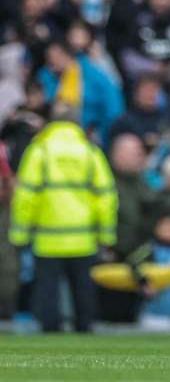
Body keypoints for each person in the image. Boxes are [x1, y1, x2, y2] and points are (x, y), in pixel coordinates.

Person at [8, 105, 117, 332]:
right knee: (83, 291)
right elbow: (106, 196)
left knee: (48, 291)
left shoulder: (40, 151)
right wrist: (106, 235)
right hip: (83, 237)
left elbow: (26, 196)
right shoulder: (90, 152)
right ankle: (84, 330)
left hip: (48, 238)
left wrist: (20, 234)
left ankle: (51, 333)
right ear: (77, 123)